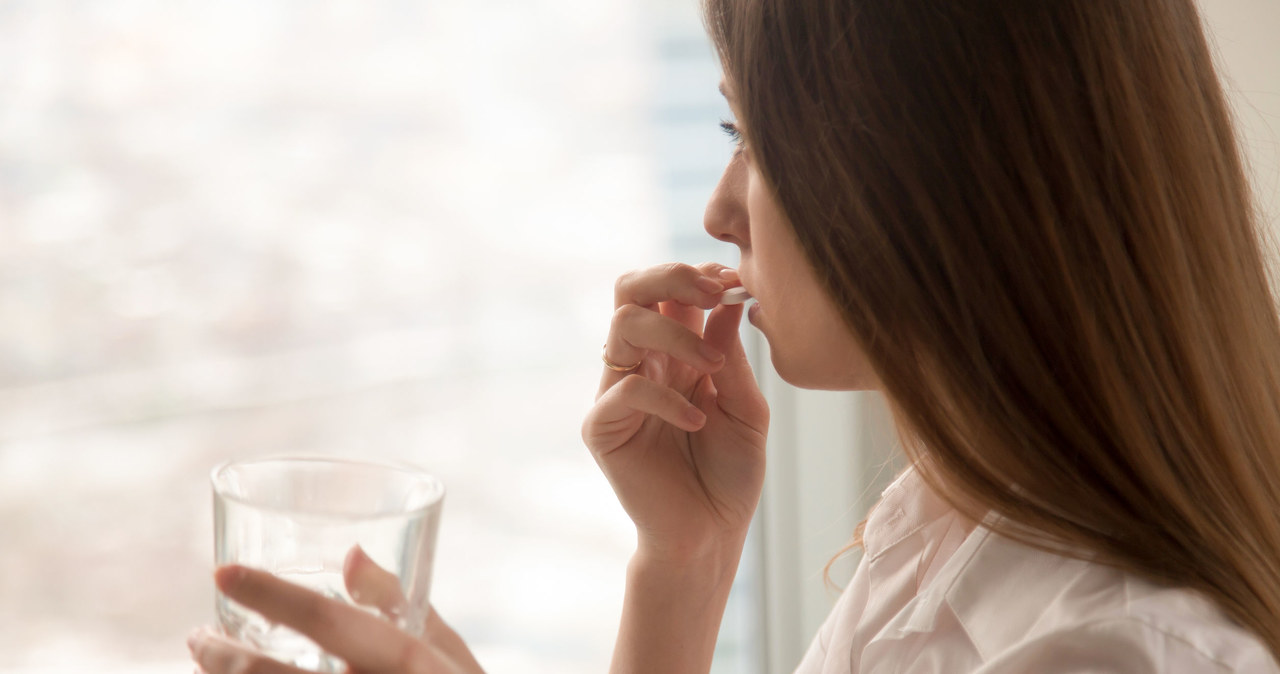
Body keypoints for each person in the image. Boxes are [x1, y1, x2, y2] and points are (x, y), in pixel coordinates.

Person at [187, 0, 1280, 672]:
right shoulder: (946, 535)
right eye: (727, 131)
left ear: (931, 172)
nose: (719, 210)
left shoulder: (1108, 654)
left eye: (753, 137)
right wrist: (685, 559)